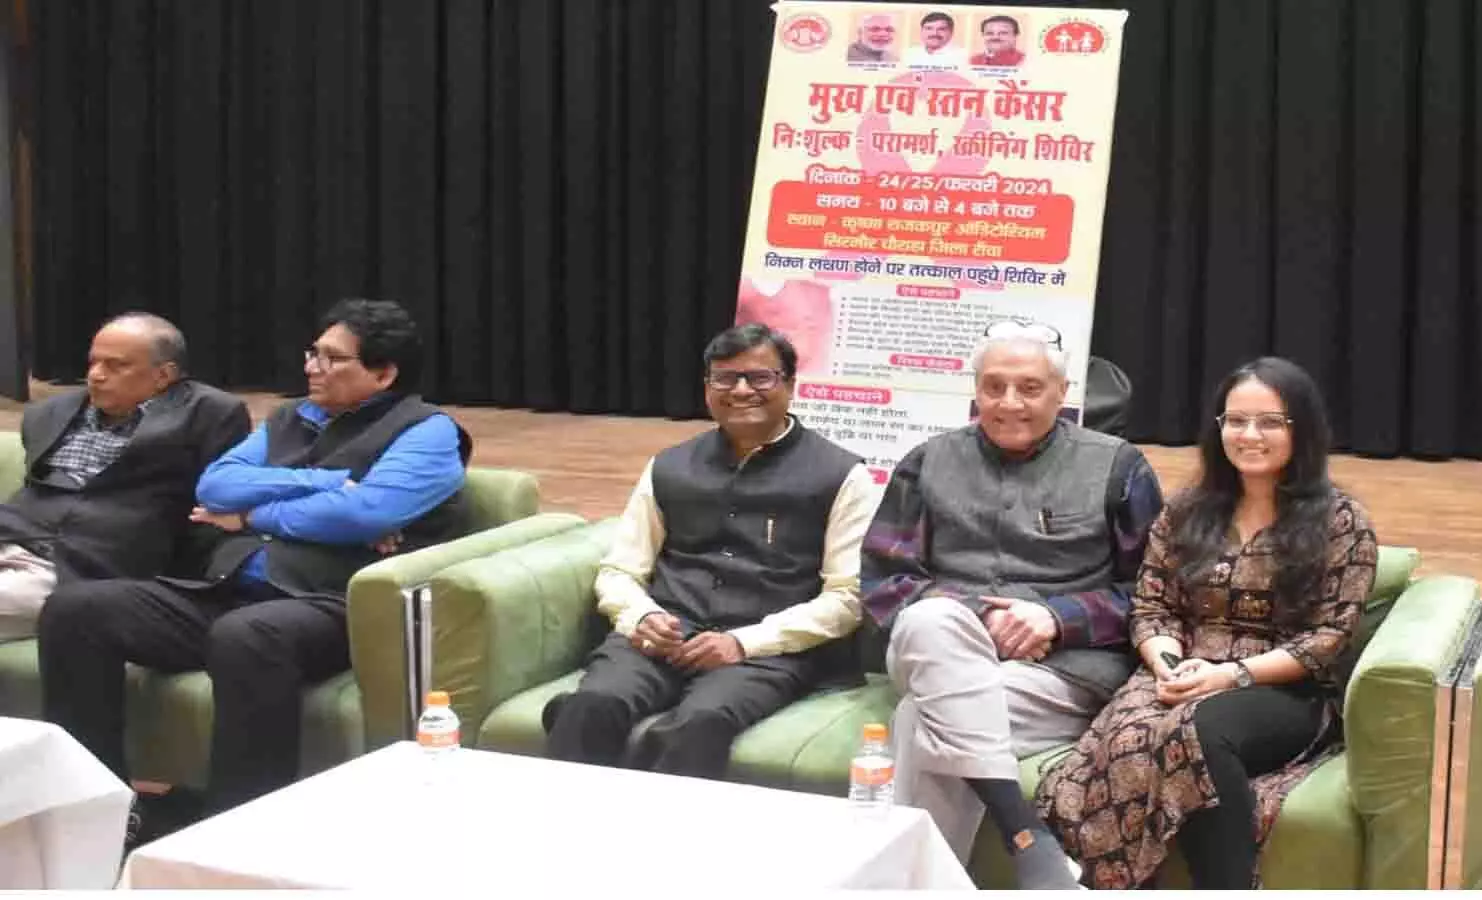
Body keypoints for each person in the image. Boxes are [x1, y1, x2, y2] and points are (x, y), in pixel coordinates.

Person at [38, 298, 473, 823]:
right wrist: (330, 482)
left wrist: (249, 516)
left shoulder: (429, 432)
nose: (312, 367)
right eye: (313, 353)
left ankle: (236, 824)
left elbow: (366, 512)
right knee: (77, 610)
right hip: (227, 587)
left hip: (332, 601)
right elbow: (217, 485)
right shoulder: (291, 417)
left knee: (248, 635)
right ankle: (99, 814)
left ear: (384, 374)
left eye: (332, 359)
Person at [1034, 357, 1379, 890]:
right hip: (1181, 672)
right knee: (1129, 737)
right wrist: (1170, 666)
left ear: (1302, 429)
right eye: (1235, 421)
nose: (1249, 435)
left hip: (1285, 687)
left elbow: (1328, 639)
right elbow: (1152, 607)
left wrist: (1229, 676)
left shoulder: (1341, 520)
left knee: (1196, 730)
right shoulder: (1185, 511)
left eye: (1269, 422)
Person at [860, 323, 1163, 889]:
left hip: (1058, 674)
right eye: (993, 387)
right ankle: (1024, 833)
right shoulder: (926, 462)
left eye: (1029, 388)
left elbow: (1154, 594)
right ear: (975, 390)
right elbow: (886, 581)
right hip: (933, 647)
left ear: (1062, 393)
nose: (1009, 403)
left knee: (921, 720)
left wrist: (1057, 617)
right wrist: (982, 617)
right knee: (931, 617)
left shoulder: (1119, 467)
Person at [543, 323, 881, 778]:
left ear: (790, 385)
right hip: (662, 638)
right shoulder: (668, 466)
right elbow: (620, 570)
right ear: (707, 388)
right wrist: (641, 617)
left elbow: (847, 598)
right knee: (592, 704)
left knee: (699, 723)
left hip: (765, 652)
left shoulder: (843, 475)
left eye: (759, 377)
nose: (740, 390)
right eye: (724, 378)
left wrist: (744, 642)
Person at [0, 313, 249, 639]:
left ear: (163, 375)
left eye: (116, 366)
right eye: (93, 362)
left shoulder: (207, 414)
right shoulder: (50, 412)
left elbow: (218, 501)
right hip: (11, 538)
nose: (96, 375)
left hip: (77, 568)